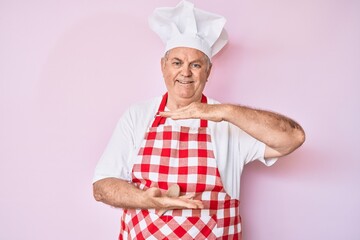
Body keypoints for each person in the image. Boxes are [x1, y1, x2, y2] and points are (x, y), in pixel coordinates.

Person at [92, 1, 305, 239]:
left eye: (195, 65)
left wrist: (226, 112)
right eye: (177, 63)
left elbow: (292, 138)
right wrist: (145, 199)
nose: (185, 73)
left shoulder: (228, 121)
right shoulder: (137, 115)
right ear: (163, 66)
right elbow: (102, 187)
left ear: (208, 71)